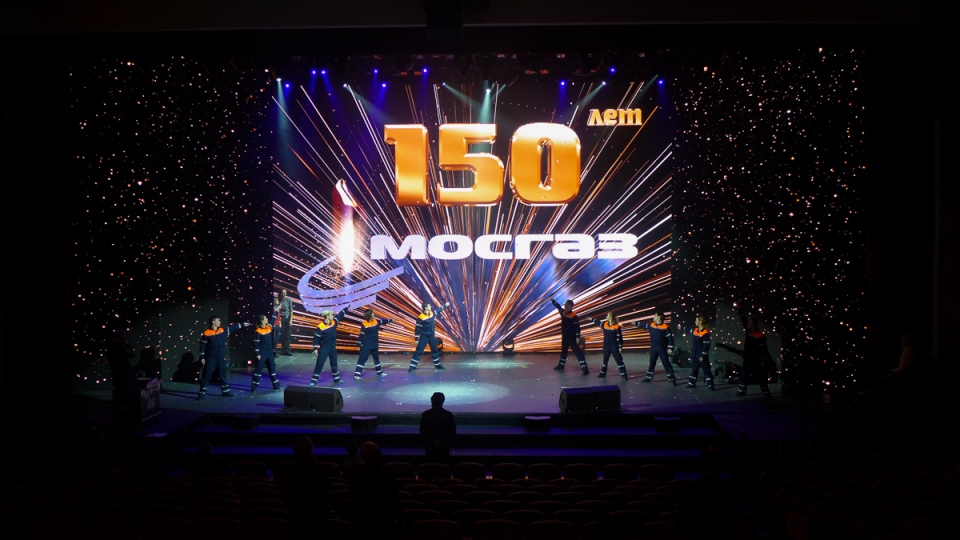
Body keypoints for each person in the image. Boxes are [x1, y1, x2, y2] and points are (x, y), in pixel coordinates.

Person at [677, 446, 738, 540]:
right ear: (719, 463)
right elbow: (732, 523)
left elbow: (683, 525)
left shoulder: (689, 491)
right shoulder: (729, 491)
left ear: (701, 462)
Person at [348, 442, 400, 536]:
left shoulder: (356, 477)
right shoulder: (388, 476)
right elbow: (395, 503)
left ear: (362, 456)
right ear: (378, 454)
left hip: (361, 526)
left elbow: (354, 503)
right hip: (386, 525)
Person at [197, 315, 250, 400]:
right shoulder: (207, 333)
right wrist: (202, 357)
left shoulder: (222, 330)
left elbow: (232, 328)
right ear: (213, 322)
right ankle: (202, 393)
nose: (220, 322)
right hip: (210, 358)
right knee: (206, 374)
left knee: (222, 374)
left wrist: (242, 324)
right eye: (218, 320)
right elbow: (202, 346)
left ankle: (225, 391)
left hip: (220, 357)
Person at [105, 328, 137, 427]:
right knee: (126, 395)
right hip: (124, 374)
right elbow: (132, 354)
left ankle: (120, 418)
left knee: (119, 394)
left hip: (116, 373)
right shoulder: (119, 346)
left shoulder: (110, 346)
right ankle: (126, 419)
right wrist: (126, 344)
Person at [311, 305, 349, 385]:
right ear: (327, 316)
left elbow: (340, 316)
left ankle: (336, 379)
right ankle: (314, 381)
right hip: (324, 348)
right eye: (331, 315)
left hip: (332, 347)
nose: (333, 316)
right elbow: (316, 338)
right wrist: (315, 348)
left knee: (334, 363)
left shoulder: (333, 322)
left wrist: (346, 309)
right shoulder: (321, 326)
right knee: (320, 363)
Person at [635, 312, 677, 385]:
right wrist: (636, 323)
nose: (653, 317)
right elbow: (644, 325)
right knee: (652, 362)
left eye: (655, 316)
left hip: (662, 349)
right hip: (653, 348)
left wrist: (670, 348)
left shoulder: (665, 327)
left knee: (666, 363)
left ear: (659, 317)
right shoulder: (652, 325)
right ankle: (649, 377)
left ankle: (672, 379)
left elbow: (670, 338)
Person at [408, 301, 450, 372]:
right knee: (419, 351)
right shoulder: (421, 317)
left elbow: (438, 310)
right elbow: (417, 328)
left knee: (435, 350)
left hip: (431, 336)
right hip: (424, 337)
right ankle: (412, 367)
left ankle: (437, 365)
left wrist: (445, 305)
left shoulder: (432, 314)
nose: (430, 307)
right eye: (429, 306)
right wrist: (416, 339)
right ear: (426, 308)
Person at [550, 297, 589, 374]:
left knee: (577, 352)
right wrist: (553, 300)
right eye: (565, 305)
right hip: (565, 337)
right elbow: (558, 306)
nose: (565, 306)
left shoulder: (574, 316)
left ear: (571, 306)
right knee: (564, 351)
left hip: (572, 337)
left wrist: (577, 337)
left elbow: (577, 327)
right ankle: (561, 365)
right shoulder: (563, 313)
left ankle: (585, 368)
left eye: (567, 305)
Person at [353, 309, 394, 379]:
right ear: (370, 315)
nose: (373, 314)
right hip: (367, 345)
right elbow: (361, 334)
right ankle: (357, 374)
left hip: (374, 344)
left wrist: (391, 320)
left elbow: (382, 321)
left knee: (376, 358)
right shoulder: (364, 324)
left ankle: (379, 372)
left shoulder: (375, 321)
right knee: (362, 359)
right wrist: (359, 344)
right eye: (372, 313)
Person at [420, 392, 457, 462]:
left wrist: (431, 441)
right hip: (444, 447)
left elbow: (423, 431)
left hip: (430, 447)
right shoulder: (448, 415)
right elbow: (452, 432)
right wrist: (442, 441)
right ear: (443, 401)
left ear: (431, 401)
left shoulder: (426, 415)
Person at [680, 315, 715, 390]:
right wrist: (682, 327)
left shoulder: (705, 333)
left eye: (696, 320)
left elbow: (706, 345)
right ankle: (691, 383)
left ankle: (710, 385)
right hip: (695, 354)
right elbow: (689, 330)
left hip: (701, 355)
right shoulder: (695, 330)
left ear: (700, 322)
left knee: (706, 370)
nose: (695, 321)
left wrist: (703, 355)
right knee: (694, 370)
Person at [590, 312, 628, 380]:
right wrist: (592, 319)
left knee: (618, 360)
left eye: (607, 315)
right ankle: (603, 373)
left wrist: (620, 346)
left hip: (614, 346)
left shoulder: (616, 326)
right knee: (605, 360)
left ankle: (624, 375)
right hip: (606, 346)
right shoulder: (605, 324)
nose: (606, 317)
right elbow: (598, 323)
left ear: (610, 317)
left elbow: (619, 338)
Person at [251, 313, 282, 393]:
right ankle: (254, 387)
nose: (267, 319)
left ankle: (276, 386)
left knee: (272, 369)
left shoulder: (268, 327)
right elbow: (255, 343)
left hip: (269, 353)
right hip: (262, 353)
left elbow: (273, 319)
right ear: (262, 320)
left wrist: (276, 311)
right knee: (258, 370)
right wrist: (257, 354)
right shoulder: (258, 331)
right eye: (265, 318)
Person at [274, 288, 294, 355]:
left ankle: (287, 350)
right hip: (281, 318)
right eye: (283, 293)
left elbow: (291, 310)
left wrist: (290, 320)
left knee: (287, 335)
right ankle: (283, 350)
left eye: (285, 293)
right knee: (282, 334)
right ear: (280, 293)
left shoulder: (288, 300)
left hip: (287, 318)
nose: (284, 294)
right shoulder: (278, 300)